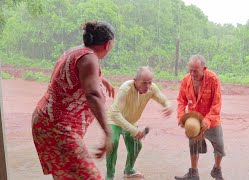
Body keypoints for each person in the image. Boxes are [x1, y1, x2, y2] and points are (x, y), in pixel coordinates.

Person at [32, 20, 116, 179]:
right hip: (58, 127)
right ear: (108, 44)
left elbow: (74, 75)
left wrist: (101, 79)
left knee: (67, 177)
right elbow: (93, 94)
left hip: (46, 122)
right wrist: (108, 131)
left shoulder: (77, 51)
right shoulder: (90, 58)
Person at [106, 66, 173, 180]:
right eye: (144, 83)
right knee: (113, 142)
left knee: (136, 146)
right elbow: (115, 113)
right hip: (114, 120)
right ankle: (109, 176)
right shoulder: (125, 88)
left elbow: (164, 99)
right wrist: (133, 130)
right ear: (135, 80)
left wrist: (168, 106)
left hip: (131, 121)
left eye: (149, 82)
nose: (147, 86)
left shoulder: (151, 88)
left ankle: (129, 170)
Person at [175, 55, 226, 180]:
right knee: (193, 146)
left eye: (195, 70)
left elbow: (217, 103)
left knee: (219, 146)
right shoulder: (186, 80)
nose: (192, 73)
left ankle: (217, 170)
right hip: (194, 120)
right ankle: (194, 173)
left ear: (204, 68)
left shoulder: (213, 79)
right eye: (190, 70)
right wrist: (181, 116)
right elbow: (181, 101)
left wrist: (208, 120)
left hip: (212, 120)